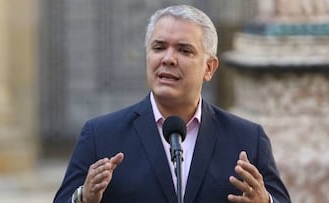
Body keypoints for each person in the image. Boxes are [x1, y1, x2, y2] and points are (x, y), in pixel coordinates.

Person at [54, 4, 291, 203]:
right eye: (159, 48)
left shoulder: (247, 139)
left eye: (184, 50)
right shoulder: (101, 136)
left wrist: (265, 201)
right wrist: (83, 198)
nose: (168, 59)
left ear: (209, 68)